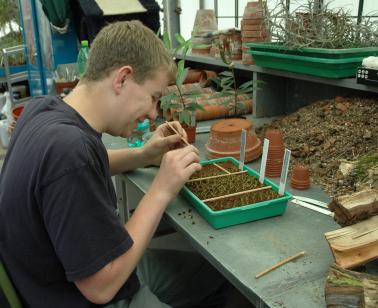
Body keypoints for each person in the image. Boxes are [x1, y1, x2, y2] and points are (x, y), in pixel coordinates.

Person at [0, 21, 230, 307]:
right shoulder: (70, 151)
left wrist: (145, 155)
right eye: (153, 98)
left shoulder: (45, 110)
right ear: (122, 78)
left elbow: (79, 167)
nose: (151, 113)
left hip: (53, 274)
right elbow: (101, 288)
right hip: (87, 294)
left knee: (215, 274)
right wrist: (161, 189)